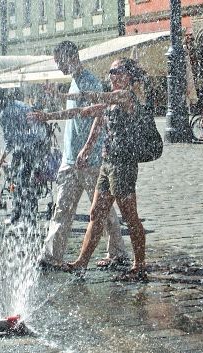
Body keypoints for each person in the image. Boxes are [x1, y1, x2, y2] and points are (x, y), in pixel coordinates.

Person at [29, 41, 127, 270]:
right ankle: (51, 256)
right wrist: (56, 97)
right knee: (62, 209)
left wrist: (87, 148)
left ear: (69, 57)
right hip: (71, 159)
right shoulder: (74, 82)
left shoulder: (90, 81)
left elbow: (98, 116)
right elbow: (74, 110)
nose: (58, 66)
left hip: (90, 160)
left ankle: (118, 252)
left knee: (103, 209)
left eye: (59, 61)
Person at [62, 58, 150, 280]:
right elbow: (94, 118)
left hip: (123, 165)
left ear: (128, 75)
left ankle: (139, 266)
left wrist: (70, 96)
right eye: (110, 71)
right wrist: (86, 149)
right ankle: (81, 263)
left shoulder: (126, 96)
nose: (112, 74)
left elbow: (98, 99)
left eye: (116, 70)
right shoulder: (111, 101)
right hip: (107, 163)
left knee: (130, 216)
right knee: (96, 213)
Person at [0, 88, 48, 226]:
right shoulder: (19, 104)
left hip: (25, 148)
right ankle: (29, 217)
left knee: (19, 181)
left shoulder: (5, 113)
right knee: (29, 182)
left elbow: (10, 141)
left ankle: (21, 217)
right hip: (38, 145)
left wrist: (0, 159)